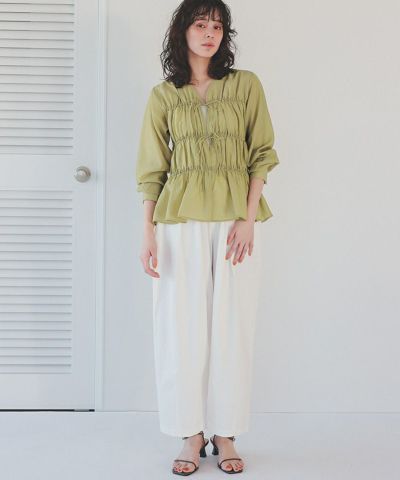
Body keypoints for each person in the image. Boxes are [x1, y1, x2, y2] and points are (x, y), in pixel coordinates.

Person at [136, 0, 279, 475]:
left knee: (233, 327)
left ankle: (226, 433)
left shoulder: (246, 85)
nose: (209, 33)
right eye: (200, 24)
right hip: (178, 223)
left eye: (217, 26)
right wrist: (147, 232)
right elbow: (152, 170)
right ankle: (190, 433)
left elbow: (262, 152)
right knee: (180, 329)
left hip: (236, 222)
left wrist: (247, 218)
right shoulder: (163, 96)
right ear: (182, 32)